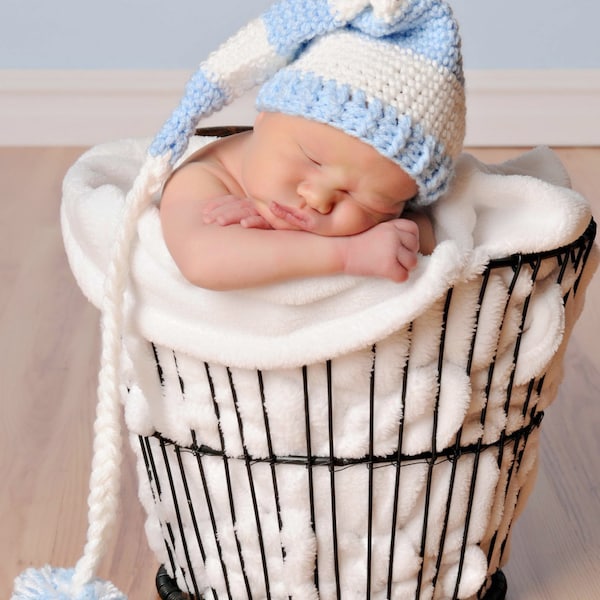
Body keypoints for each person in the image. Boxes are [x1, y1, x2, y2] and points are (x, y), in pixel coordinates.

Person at [159, 0, 466, 291]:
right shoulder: (204, 176)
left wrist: (398, 238)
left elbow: (422, 236)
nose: (318, 199)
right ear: (264, 117)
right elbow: (202, 260)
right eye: (313, 160)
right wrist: (348, 254)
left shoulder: (390, 195)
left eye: (367, 201)